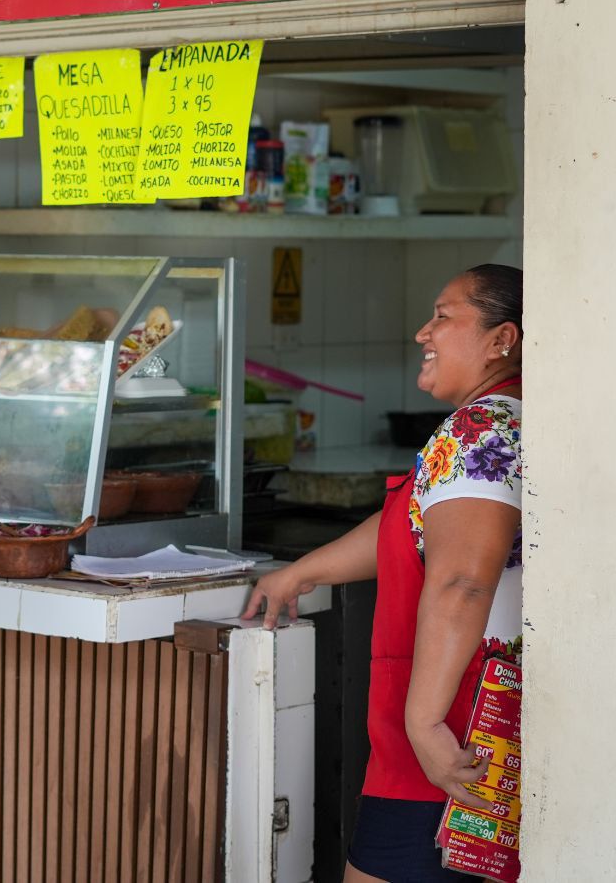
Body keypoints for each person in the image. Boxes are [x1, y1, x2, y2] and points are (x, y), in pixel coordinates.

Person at [242, 264, 524, 882]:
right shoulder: (504, 417)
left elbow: (462, 580)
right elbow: (415, 524)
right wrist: (303, 572)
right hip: (465, 723)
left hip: (448, 736)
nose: (425, 332)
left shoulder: (484, 429)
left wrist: (422, 724)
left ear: (501, 339)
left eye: (444, 317)